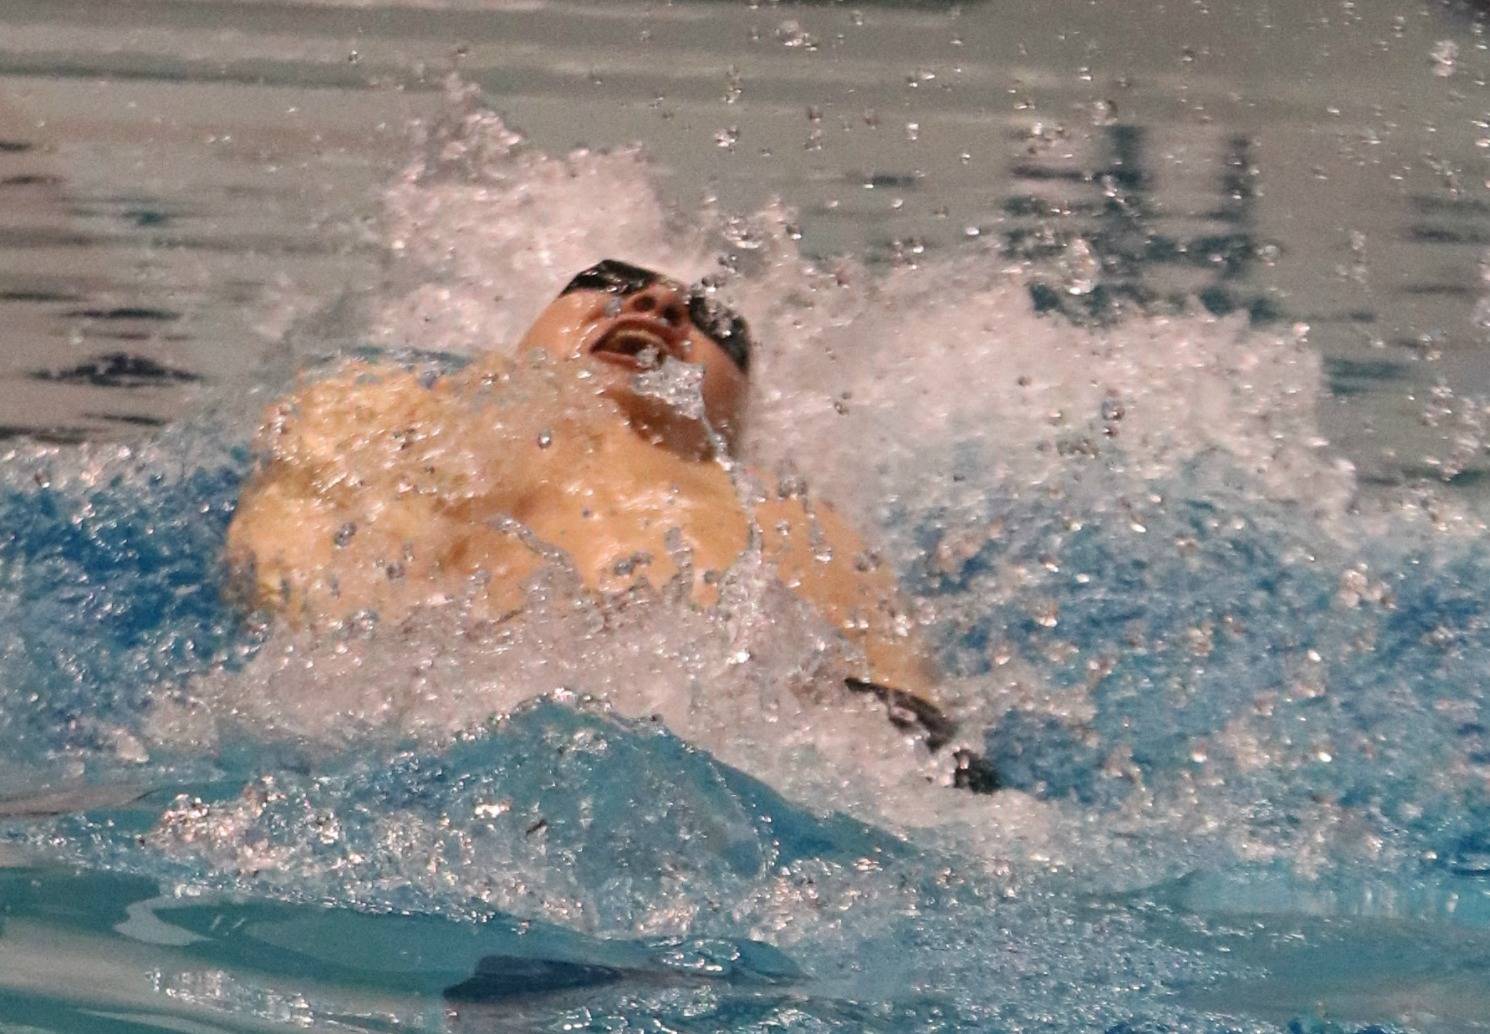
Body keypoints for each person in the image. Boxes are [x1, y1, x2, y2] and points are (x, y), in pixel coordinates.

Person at [226, 259, 996, 792]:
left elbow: (917, 743)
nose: (659, 304)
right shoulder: (405, 416)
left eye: (711, 322)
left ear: (743, 408)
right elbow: (296, 594)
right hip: (437, 751)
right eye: (608, 285)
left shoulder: (796, 515)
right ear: (529, 331)